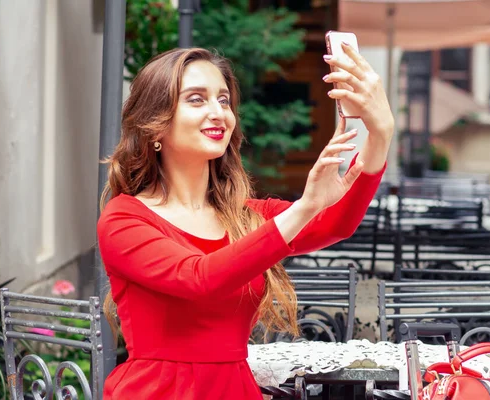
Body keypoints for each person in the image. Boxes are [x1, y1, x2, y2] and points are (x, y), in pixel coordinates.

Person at [97, 44, 393, 399]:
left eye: (223, 100)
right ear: (155, 125)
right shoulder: (123, 219)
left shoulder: (246, 216)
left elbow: (335, 223)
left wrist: (380, 134)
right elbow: (200, 278)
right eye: (196, 99)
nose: (218, 112)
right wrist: (305, 206)